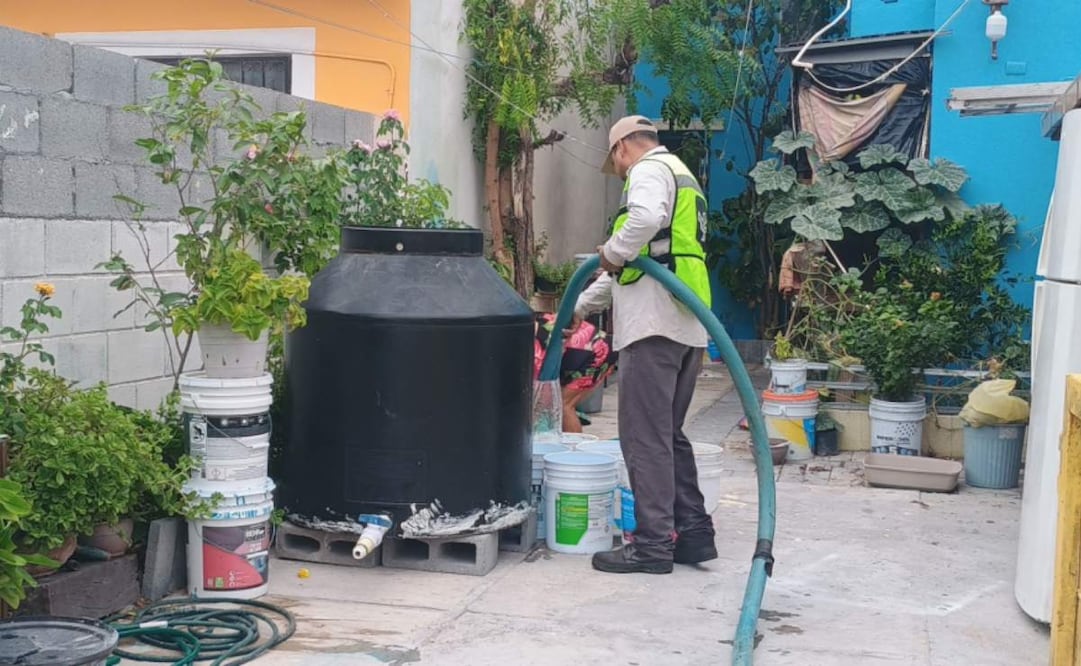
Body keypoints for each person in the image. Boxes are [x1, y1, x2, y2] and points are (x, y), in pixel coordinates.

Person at [569, 115, 717, 574]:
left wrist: (611, 249)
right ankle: (693, 536)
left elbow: (642, 224)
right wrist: (581, 305)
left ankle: (652, 546)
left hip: (653, 330)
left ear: (621, 149)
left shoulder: (648, 170)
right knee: (667, 437)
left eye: (616, 164)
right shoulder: (683, 176)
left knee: (644, 440)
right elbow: (640, 266)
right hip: (685, 322)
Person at [532, 312, 616, 433]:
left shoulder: (536, 343)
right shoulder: (533, 322)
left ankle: (574, 448)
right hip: (585, 351)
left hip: (597, 351)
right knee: (557, 404)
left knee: (564, 405)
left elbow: (543, 388)